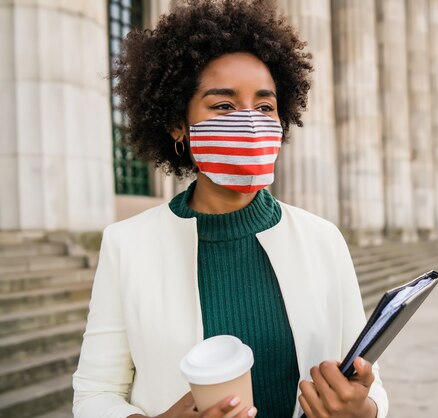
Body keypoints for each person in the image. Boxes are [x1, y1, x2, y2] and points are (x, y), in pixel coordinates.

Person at [72, 1, 388, 417]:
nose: (250, 123)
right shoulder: (126, 244)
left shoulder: (323, 238)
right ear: (177, 124)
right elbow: (94, 394)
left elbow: (371, 385)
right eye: (222, 106)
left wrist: (361, 412)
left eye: (264, 106)